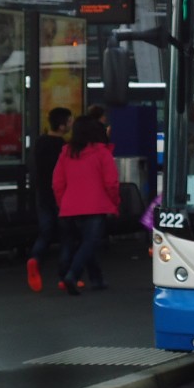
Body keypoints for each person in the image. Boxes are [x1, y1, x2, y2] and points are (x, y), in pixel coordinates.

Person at [52, 114, 119, 295]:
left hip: (69, 208)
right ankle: (72, 275)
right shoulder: (102, 153)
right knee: (90, 243)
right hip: (95, 207)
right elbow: (111, 183)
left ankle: (97, 279)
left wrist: (62, 203)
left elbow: (57, 183)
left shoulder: (66, 153)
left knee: (86, 243)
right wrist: (115, 203)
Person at [26, 107, 72, 292]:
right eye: (69, 121)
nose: (71, 124)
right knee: (67, 236)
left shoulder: (40, 142)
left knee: (45, 232)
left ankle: (35, 259)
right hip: (61, 195)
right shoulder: (64, 147)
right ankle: (65, 277)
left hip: (42, 193)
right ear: (62, 126)